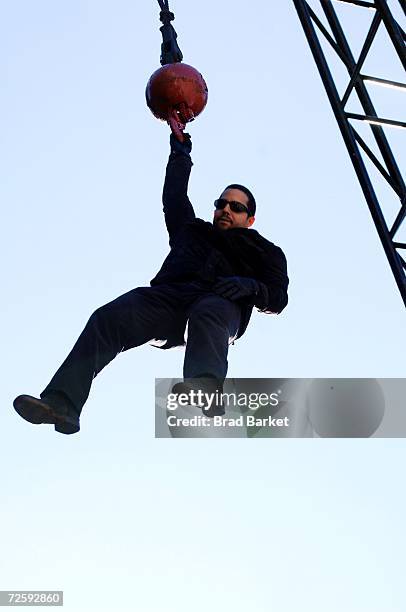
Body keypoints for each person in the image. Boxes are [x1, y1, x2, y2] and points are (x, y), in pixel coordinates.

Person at [13, 132, 289, 434]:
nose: (226, 209)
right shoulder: (191, 230)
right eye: (221, 203)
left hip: (220, 306)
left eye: (236, 207)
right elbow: (174, 197)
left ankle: (205, 387)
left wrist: (252, 287)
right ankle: (62, 404)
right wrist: (180, 152)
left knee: (208, 311)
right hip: (168, 299)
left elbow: (277, 298)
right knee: (107, 318)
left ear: (250, 219)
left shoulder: (266, 251)